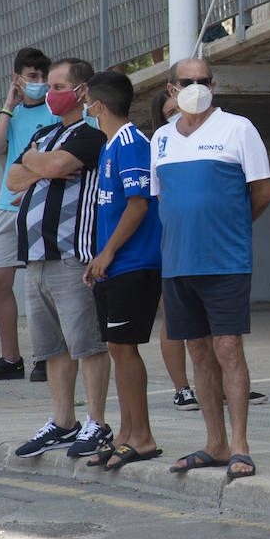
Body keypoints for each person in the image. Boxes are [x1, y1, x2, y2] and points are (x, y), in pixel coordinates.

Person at [154, 58, 270, 481]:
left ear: (214, 85)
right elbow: (162, 201)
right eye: (187, 81)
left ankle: (240, 445)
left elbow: (263, 192)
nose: (196, 87)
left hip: (225, 261)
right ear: (171, 89)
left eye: (203, 81)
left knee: (227, 348)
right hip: (178, 263)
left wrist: (231, 228)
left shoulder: (238, 128)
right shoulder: (162, 138)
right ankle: (215, 443)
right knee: (198, 350)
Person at [8, 58, 112, 457]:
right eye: (48, 85)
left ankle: (97, 422)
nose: (50, 93)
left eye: (58, 85)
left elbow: (56, 165)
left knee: (87, 343)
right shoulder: (46, 132)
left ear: (82, 91)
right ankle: (63, 421)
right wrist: (41, 168)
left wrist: (39, 164)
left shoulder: (90, 134)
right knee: (52, 348)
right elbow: (14, 179)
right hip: (35, 258)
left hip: (71, 254)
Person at [81, 71, 164, 469]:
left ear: (98, 105)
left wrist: (108, 253)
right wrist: (99, 258)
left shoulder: (132, 144)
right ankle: (127, 433)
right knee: (117, 348)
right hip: (112, 265)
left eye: (87, 101)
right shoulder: (109, 146)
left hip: (135, 263)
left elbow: (138, 205)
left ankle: (141, 437)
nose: (85, 107)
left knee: (126, 349)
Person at [0, 48, 58, 382]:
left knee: (42, 282)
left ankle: (48, 356)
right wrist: (8, 104)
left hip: (40, 203)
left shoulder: (55, 111)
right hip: (8, 206)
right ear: (17, 78)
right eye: (31, 77)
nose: (38, 83)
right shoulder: (14, 113)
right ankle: (10, 359)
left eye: (42, 77)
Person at [149, 88, 197, 411]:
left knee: (209, 319)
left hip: (200, 239)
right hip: (167, 239)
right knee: (175, 317)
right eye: (169, 113)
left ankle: (215, 385)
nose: (176, 116)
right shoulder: (159, 145)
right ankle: (182, 389)